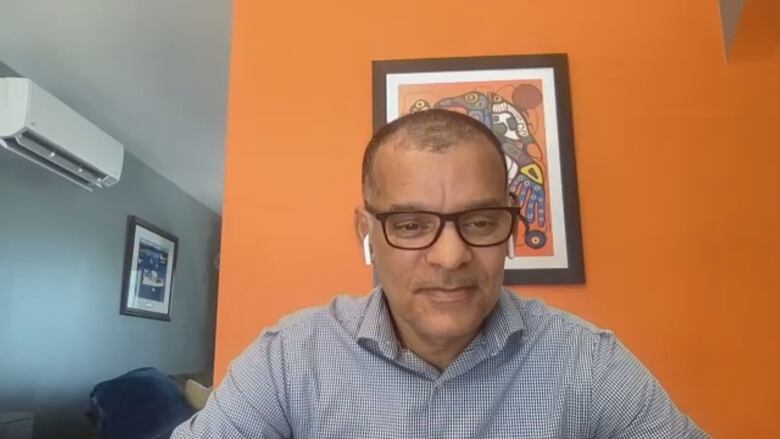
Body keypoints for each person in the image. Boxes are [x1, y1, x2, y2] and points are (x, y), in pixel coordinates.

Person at [172, 109, 708, 438]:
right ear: (367, 231)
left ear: (511, 228)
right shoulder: (287, 360)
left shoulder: (588, 364)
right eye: (410, 224)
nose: (451, 256)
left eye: (480, 221)